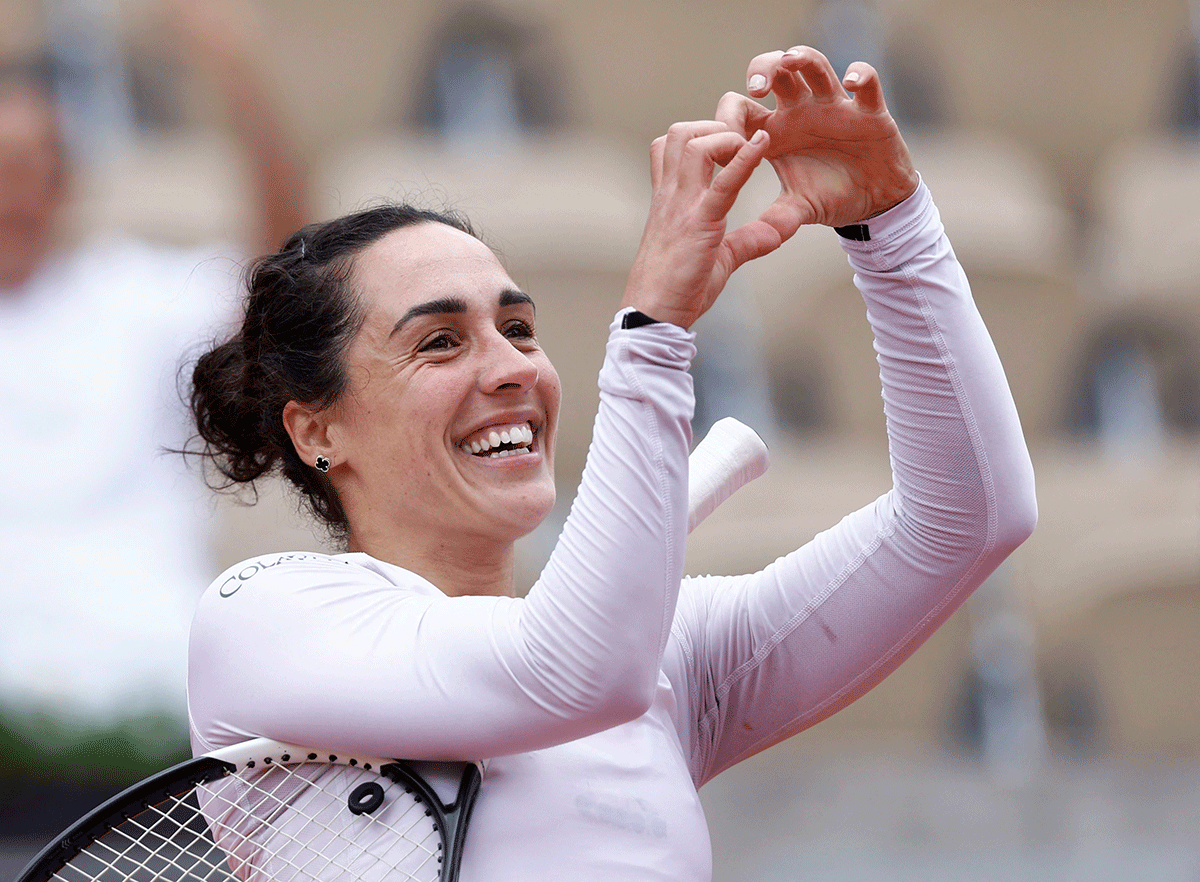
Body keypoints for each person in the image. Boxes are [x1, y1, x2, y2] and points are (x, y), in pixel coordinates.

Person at [185, 47, 1037, 881]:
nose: (513, 366)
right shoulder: (262, 620)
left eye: (518, 329)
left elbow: (969, 517)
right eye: (439, 342)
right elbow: (569, 670)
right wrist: (654, 329)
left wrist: (890, 226)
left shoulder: (666, 657)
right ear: (315, 431)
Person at [0, 0, 305, 780]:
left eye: (33, 167)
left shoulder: (134, 295)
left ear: (66, 183)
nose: (15, 193)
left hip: (147, 687)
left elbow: (285, 276)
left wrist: (238, 76)